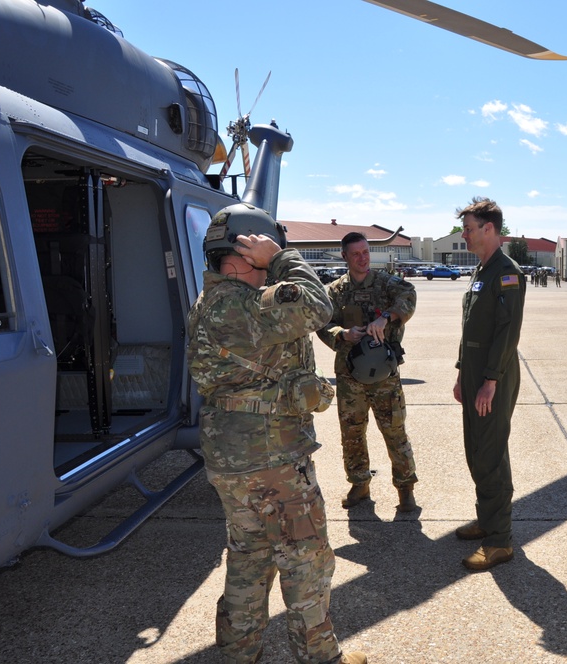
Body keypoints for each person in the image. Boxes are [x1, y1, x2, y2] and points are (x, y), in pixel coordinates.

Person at [187, 203, 366, 664]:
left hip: (231, 463)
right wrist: (282, 258)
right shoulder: (246, 305)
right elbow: (318, 306)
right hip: (273, 463)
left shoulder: (209, 302)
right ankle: (320, 657)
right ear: (247, 251)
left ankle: (238, 654)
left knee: (249, 558)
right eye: (265, 250)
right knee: (307, 562)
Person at [317, 232, 418, 511]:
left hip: (385, 374)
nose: (363, 259)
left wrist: (386, 317)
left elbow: (409, 296)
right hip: (350, 377)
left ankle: (405, 488)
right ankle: (359, 484)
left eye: (365, 252)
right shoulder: (335, 291)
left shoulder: (386, 283)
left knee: (395, 431)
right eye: (356, 254)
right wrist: (342, 334)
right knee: (352, 434)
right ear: (345, 257)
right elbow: (323, 324)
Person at [452, 197, 526, 572]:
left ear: (489, 229)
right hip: (475, 372)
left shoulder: (506, 271)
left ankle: (500, 541)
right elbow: (471, 329)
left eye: (468, 228)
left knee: (491, 452)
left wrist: (490, 381)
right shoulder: (482, 270)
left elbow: (507, 332)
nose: (463, 234)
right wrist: (461, 372)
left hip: (492, 375)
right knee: (476, 449)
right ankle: (488, 518)